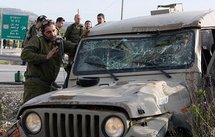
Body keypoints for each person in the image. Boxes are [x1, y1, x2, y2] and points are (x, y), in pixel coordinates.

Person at [21, 19, 77, 102]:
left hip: (49, 84)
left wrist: (85, 36)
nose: (52, 34)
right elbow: (25, 54)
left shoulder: (59, 42)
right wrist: (45, 57)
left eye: (54, 31)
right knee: (31, 110)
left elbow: (75, 48)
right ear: (43, 33)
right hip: (35, 85)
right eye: (49, 32)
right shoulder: (37, 40)